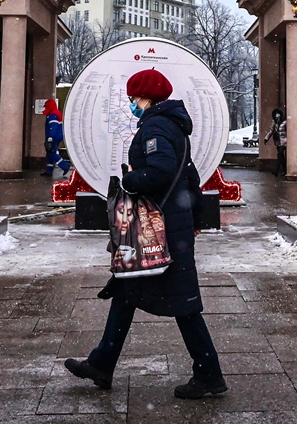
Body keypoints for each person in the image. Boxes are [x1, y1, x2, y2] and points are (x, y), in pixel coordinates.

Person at [64, 68, 227, 399]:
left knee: (183, 304)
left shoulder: (156, 126)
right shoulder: (173, 126)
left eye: (133, 98)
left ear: (147, 98)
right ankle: (102, 364)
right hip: (171, 225)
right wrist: (194, 215)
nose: (131, 104)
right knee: (128, 292)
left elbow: (161, 172)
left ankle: (209, 374)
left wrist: (129, 180)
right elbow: (189, 176)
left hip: (160, 228)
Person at [41, 98, 71, 177]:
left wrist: (50, 137)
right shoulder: (57, 113)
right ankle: (49, 170)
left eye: (46, 107)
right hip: (58, 136)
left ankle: (65, 165)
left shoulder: (52, 115)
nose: (45, 108)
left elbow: (53, 127)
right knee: (49, 153)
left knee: (51, 152)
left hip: (54, 136)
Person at [264, 108, 287, 176]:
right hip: (278, 142)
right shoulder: (274, 122)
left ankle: (276, 170)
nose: (277, 115)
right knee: (281, 156)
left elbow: (288, 132)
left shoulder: (285, 122)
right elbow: (271, 131)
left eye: (278, 114)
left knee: (279, 154)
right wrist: (266, 138)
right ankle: (285, 170)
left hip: (284, 141)